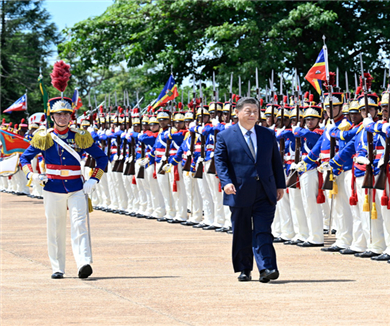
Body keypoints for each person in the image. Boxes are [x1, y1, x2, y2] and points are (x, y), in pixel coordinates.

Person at [20, 61, 108, 279]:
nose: (63, 118)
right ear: (52, 116)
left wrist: (94, 180)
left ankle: (83, 263)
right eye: (59, 115)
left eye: (66, 114)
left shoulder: (80, 136)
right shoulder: (44, 137)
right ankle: (57, 267)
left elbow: (102, 158)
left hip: (77, 186)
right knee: (55, 228)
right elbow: (24, 158)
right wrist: (32, 175)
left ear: (71, 116)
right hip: (52, 187)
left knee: (80, 225)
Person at [214, 97, 286, 283]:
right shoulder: (225, 136)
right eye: (248, 111)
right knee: (242, 231)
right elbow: (220, 163)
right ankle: (244, 268)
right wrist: (226, 182)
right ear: (237, 113)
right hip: (238, 190)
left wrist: (280, 185)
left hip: (265, 190)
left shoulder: (267, 134)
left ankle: (267, 267)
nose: (253, 114)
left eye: (255, 111)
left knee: (263, 230)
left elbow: (276, 162)